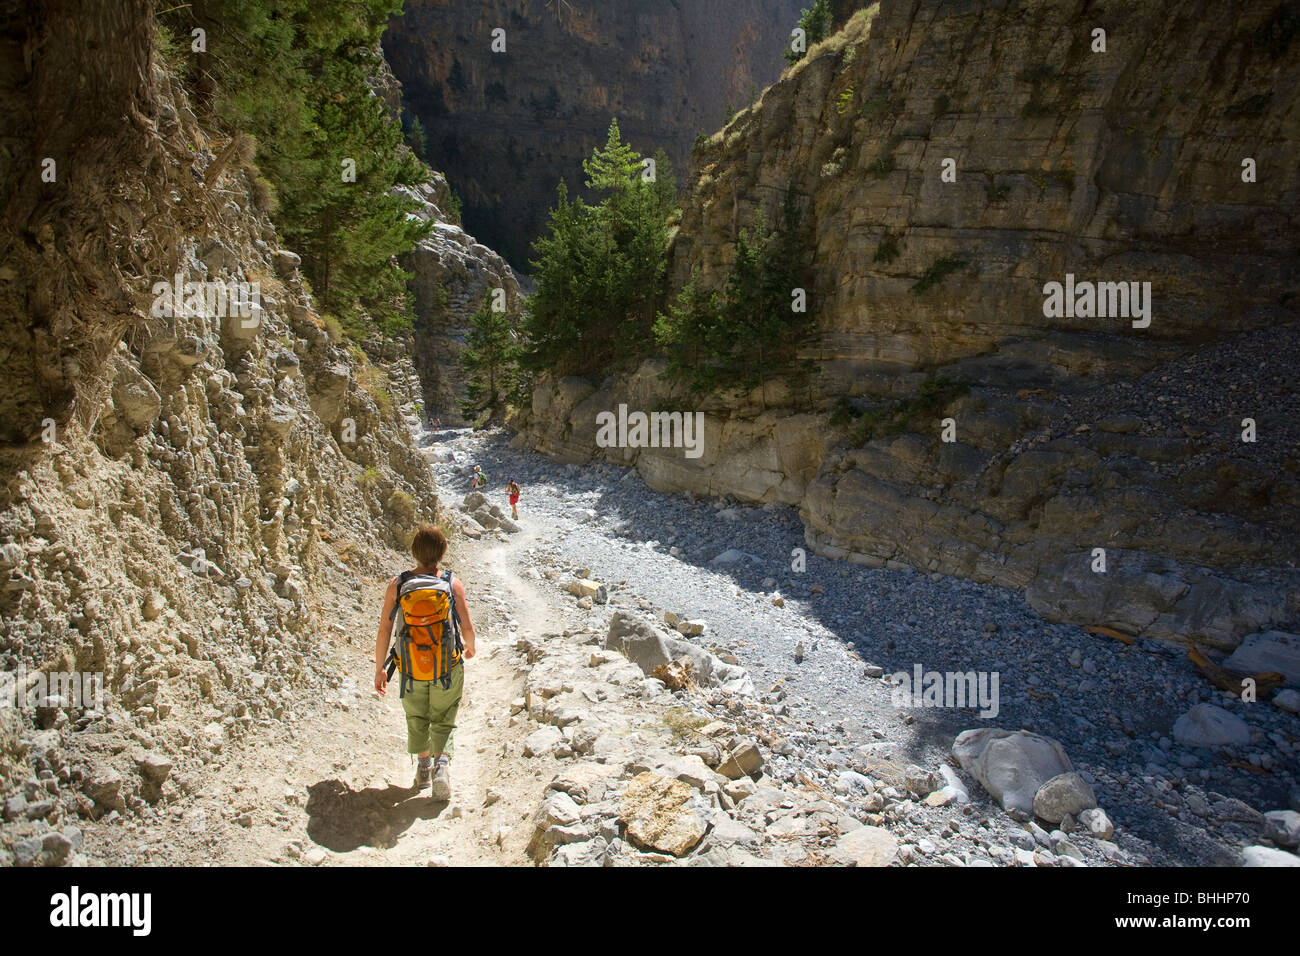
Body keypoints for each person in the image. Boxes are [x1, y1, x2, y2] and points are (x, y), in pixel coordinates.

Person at [374, 524, 476, 799]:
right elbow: (466, 625)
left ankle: (422, 768)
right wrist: (471, 647)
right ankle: (441, 767)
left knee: (417, 715)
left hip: (409, 667)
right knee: (444, 716)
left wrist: (380, 669)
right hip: (447, 666)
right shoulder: (452, 584)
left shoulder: (398, 584)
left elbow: (385, 629)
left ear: (415, 552)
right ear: (442, 552)